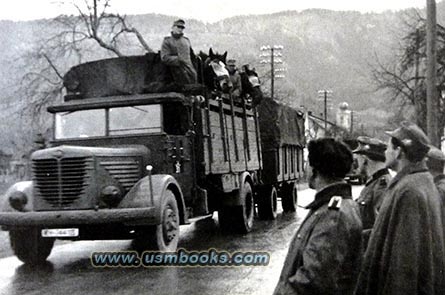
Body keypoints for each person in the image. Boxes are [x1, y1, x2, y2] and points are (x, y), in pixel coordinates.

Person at [354, 121, 445, 295]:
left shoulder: (409, 190)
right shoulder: (418, 182)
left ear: (399, 152)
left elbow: (404, 264)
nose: (386, 152)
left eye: (389, 147)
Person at [274, 138, 362, 295]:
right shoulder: (333, 207)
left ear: (316, 170)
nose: (305, 169)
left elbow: (313, 279)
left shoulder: (333, 216)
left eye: (308, 164)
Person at [352, 136, 391, 249]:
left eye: (357, 158)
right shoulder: (374, 183)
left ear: (365, 159)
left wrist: (354, 237)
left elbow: (382, 229)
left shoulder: (382, 186)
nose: (355, 163)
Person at [160, 19, 197, 85]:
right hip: (175, 71)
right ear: (173, 27)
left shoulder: (186, 41)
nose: (180, 29)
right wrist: (179, 59)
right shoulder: (167, 41)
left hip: (190, 69)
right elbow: (164, 57)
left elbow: (192, 56)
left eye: (182, 28)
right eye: (178, 27)